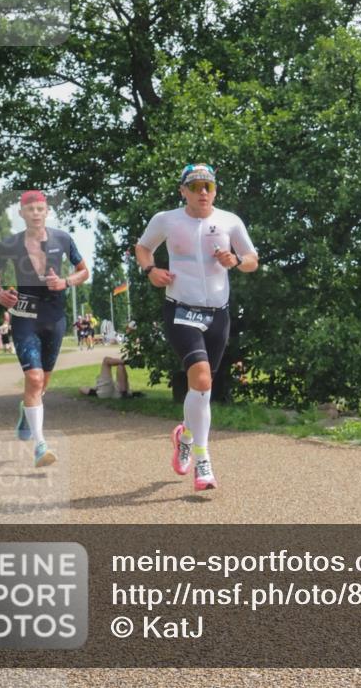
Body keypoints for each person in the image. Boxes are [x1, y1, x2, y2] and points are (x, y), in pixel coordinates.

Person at [135, 163, 258, 491]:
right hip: (182, 310)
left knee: (202, 389)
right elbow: (142, 247)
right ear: (183, 191)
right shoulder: (167, 220)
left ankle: (185, 435)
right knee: (201, 378)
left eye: (208, 186)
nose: (203, 192)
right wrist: (151, 270)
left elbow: (252, 259)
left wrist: (236, 261)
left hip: (218, 313)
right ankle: (203, 461)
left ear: (215, 190)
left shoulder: (230, 221)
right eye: (195, 186)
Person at [0, 190, 90, 468]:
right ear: (21, 213)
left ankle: (27, 409)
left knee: (43, 382)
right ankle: (40, 444)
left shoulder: (63, 239)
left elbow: (84, 270)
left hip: (54, 315)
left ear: (46, 212)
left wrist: (66, 282)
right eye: (29, 209)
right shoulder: (9, 243)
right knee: (33, 379)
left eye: (40, 208)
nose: (35, 213)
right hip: (25, 313)